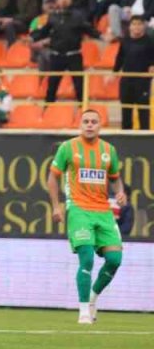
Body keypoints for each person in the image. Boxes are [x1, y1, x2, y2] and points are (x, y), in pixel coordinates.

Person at [48, 109, 127, 324]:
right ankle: (83, 311)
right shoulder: (67, 148)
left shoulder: (109, 150)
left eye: (94, 121)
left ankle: (92, 298)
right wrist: (56, 206)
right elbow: (53, 178)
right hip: (79, 209)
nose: (90, 125)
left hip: (103, 211)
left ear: (100, 126)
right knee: (87, 258)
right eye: (86, 121)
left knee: (114, 260)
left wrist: (120, 192)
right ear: (80, 124)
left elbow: (115, 178)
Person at [33, 0, 98, 103]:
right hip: (56, 56)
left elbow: (89, 30)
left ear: (71, 0)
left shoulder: (78, 16)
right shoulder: (52, 16)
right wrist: (31, 38)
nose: (64, 0)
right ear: (57, 1)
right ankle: (47, 110)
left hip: (74, 55)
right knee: (52, 85)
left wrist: (102, 36)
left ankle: (82, 110)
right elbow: (44, 31)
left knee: (79, 85)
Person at [113, 16, 154, 130]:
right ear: (130, 26)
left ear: (144, 26)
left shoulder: (149, 41)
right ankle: (126, 137)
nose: (137, 27)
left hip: (142, 81)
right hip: (126, 80)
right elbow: (120, 57)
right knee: (126, 110)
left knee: (143, 111)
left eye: (139, 24)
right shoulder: (125, 40)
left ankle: (144, 138)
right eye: (134, 24)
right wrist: (114, 71)